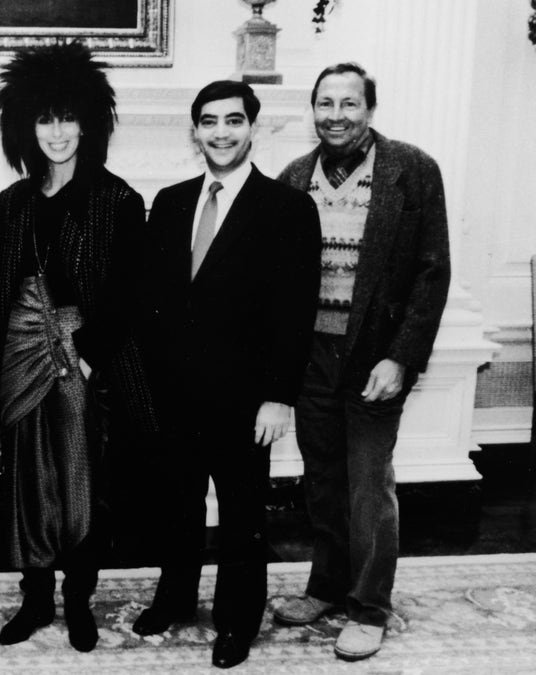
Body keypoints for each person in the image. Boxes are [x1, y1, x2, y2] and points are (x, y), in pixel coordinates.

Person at [130, 80, 321, 669]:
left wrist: (278, 398)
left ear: (253, 128)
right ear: (195, 132)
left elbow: (297, 312)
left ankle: (237, 620)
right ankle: (177, 600)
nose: (220, 132)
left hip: (246, 399)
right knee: (178, 504)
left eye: (233, 121)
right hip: (176, 393)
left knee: (242, 514)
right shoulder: (169, 201)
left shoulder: (287, 208)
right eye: (208, 122)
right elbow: (152, 301)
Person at [272, 63, 451, 662]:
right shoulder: (295, 177)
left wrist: (401, 357)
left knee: (369, 486)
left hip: (375, 356)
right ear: (313, 109)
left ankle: (369, 607)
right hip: (312, 357)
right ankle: (326, 586)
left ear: (370, 109)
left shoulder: (412, 170)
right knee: (322, 481)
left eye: (349, 103)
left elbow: (432, 273)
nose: (336, 115)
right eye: (326, 103)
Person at [0, 42, 145, 654]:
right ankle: (36, 595)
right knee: (26, 481)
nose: (56, 132)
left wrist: (91, 353)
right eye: (44, 118)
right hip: (20, 358)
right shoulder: (15, 201)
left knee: (78, 480)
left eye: (67, 116)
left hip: (83, 365)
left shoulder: (117, 200)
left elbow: (130, 294)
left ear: (90, 121)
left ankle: (78, 599)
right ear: (26, 125)